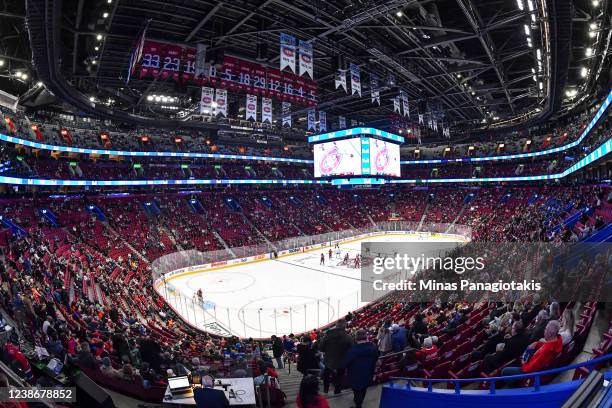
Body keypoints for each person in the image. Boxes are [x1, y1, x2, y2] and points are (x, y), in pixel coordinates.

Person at [343, 330, 379, 408]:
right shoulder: (373, 347)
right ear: (366, 337)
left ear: (356, 339)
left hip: (355, 375)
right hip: (369, 373)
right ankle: (359, 402)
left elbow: (345, 363)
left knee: (357, 392)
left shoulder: (352, 350)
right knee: (363, 389)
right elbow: (376, 358)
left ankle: (358, 405)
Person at [319, 319, 353, 394]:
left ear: (336, 325)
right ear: (344, 326)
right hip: (342, 361)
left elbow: (321, 348)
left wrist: (328, 351)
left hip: (329, 361)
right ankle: (337, 391)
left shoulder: (327, 335)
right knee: (339, 377)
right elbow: (352, 350)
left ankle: (325, 390)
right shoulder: (348, 337)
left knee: (326, 375)